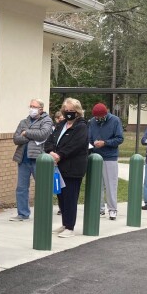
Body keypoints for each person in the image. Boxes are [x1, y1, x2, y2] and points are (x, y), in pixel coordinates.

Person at [45, 98, 89, 237]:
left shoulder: (82, 126)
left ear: (78, 112)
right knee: (61, 197)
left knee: (70, 197)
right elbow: (50, 140)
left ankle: (70, 227)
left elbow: (75, 145)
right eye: (66, 110)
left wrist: (60, 155)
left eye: (72, 111)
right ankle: (64, 224)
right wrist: (51, 152)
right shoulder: (61, 124)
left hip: (73, 168)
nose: (69, 113)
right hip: (58, 167)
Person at [10, 98, 54, 221]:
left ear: (41, 109)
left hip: (38, 158)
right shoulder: (24, 121)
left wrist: (26, 133)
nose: (32, 109)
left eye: (34, 106)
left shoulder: (47, 120)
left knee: (42, 187)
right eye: (30, 106)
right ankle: (23, 213)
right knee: (21, 188)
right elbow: (16, 139)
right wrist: (29, 136)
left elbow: (43, 134)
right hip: (23, 159)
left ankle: (44, 213)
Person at [87, 103, 124, 220]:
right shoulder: (92, 122)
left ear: (105, 114)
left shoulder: (115, 121)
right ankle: (99, 208)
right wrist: (92, 144)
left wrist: (105, 142)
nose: (97, 119)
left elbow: (119, 138)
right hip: (96, 156)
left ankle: (112, 209)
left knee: (110, 185)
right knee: (97, 185)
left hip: (110, 156)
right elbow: (89, 138)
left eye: (99, 117)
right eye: (96, 117)